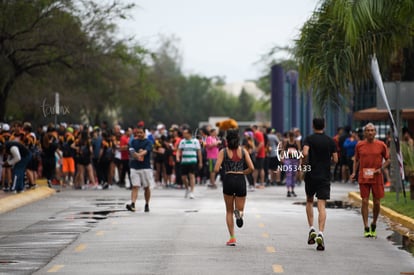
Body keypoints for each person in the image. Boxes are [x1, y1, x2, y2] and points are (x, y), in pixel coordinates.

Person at [214, 129, 254, 246]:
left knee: (229, 211)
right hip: (240, 180)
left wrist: (224, 170)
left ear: (227, 140)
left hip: (229, 179)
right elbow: (252, 168)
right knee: (239, 209)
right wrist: (243, 172)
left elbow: (216, 169)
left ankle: (232, 237)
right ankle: (239, 216)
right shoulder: (243, 151)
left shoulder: (223, 152)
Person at [303, 118, 338, 251]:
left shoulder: (309, 139)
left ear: (313, 126)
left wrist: (304, 165)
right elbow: (335, 159)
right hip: (324, 176)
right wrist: (328, 163)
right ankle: (321, 233)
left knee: (309, 201)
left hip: (311, 175)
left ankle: (311, 227)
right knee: (321, 205)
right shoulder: (330, 141)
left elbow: (305, 153)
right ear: (325, 125)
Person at [351, 123, 390, 238]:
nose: (370, 132)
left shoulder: (381, 145)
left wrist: (380, 169)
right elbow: (356, 160)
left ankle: (374, 223)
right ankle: (366, 226)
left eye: (372, 130)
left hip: (376, 176)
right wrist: (354, 172)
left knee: (377, 202)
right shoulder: (359, 145)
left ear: (375, 132)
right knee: (364, 201)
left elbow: (388, 160)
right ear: (364, 133)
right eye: (368, 130)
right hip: (364, 176)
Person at [126, 125, 154, 212]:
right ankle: (133, 204)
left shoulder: (148, 142)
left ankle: (147, 204)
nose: (139, 134)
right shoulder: (133, 142)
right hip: (134, 167)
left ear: (144, 133)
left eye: (141, 132)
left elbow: (146, 151)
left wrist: (140, 154)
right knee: (135, 186)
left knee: (146, 187)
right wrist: (136, 155)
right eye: (137, 133)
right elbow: (131, 151)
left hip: (145, 167)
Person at [176, 128, 203, 199]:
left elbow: (199, 152)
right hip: (184, 161)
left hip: (193, 161)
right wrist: (177, 157)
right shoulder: (182, 141)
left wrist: (200, 162)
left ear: (189, 134)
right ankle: (187, 188)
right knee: (183, 177)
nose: (183, 134)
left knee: (192, 176)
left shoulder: (195, 141)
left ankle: (192, 192)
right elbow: (178, 150)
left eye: (185, 133)